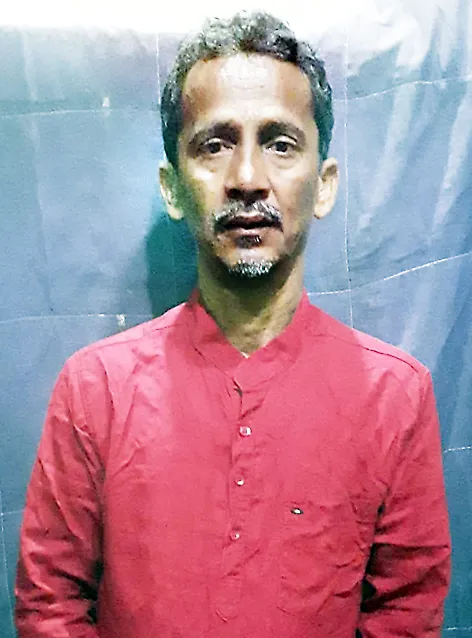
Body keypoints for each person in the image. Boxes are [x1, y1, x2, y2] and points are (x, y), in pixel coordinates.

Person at [15, 11, 451, 638]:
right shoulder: (95, 391)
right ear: (172, 188)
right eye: (214, 145)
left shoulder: (396, 397)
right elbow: (49, 606)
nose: (247, 179)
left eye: (280, 144)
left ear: (325, 185)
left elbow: (407, 613)